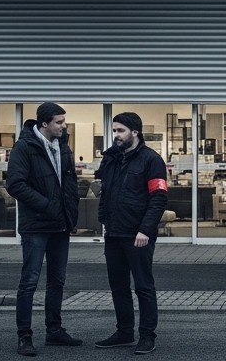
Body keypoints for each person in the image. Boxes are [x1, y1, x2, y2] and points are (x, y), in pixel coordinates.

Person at [6, 102, 82, 356]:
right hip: (36, 225)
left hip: (60, 224)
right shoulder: (25, 147)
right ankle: (24, 336)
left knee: (57, 280)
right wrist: (48, 205)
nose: (64, 125)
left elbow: (69, 181)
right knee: (29, 281)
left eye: (64, 121)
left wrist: (70, 211)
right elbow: (15, 184)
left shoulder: (63, 145)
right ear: (44, 124)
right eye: (59, 122)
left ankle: (54, 331)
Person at [93, 112, 168, 355]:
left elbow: (158, 199)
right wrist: (103, 221)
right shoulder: (111, 158)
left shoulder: (151, 160)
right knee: (118, 286)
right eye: (114, 131)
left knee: (143, 286)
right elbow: (104, 192)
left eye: (120, 131)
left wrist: (145, 229)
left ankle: (147, 335)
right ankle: (125, 332)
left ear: (135, 132)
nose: (116, 135)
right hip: (113, 233)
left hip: (138, 234)